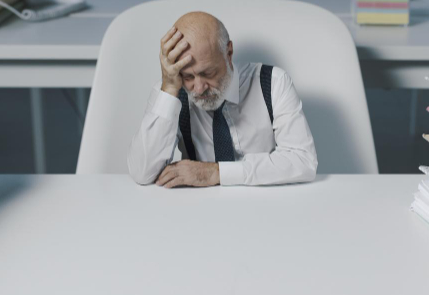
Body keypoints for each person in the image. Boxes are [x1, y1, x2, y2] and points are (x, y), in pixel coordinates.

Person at [127, 11, 318, 187]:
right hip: (199, 210)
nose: (199, 88)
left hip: (264, 205)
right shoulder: (173, 93)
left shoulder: (273, 83)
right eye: (188, 77)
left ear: (229, 52)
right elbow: (142, 173)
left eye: (208, 73)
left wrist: (217, 173)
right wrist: (168, 89)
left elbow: (303, 160)